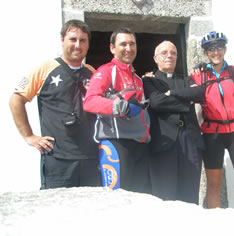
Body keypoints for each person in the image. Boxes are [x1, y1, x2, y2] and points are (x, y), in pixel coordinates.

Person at [9, 19, 100, 189]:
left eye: (83, 40)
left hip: (90, 158)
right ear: (62, 40)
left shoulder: (92, 72)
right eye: (73, 39)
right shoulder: (45, 68)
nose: (77, 45)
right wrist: (29, 136)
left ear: (88, 44)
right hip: (58, 159)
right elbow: (16, 99)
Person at [191, 31, 234, 213]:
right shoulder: (199, 76)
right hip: (212, 133)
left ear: (225, 49)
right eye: (211, 49)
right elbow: (184, 94)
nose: (216, 52)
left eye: (219, 47)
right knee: (214, 184)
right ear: (206, 53)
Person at [83, 27, 150, 193]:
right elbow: (89, 101)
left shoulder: (138, 78)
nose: (128, 48)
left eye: (132, 44)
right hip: (116, 143)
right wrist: (118, 107)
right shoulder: (105, 71)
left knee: (139, 198)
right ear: (112, 48)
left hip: (139, 145)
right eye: (123, 44)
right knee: (116, 199)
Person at [142, 41, 205, 203]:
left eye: (173, 52)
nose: (169, 55)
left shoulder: (186, 79)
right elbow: (157, 102)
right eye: (164, 53)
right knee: (165, 196)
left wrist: (172, 93)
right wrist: (186, 102)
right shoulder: (149, 81)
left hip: (190, 140)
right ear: (155, 58)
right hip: (164, 141)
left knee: (190, 195)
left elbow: (198, 92)